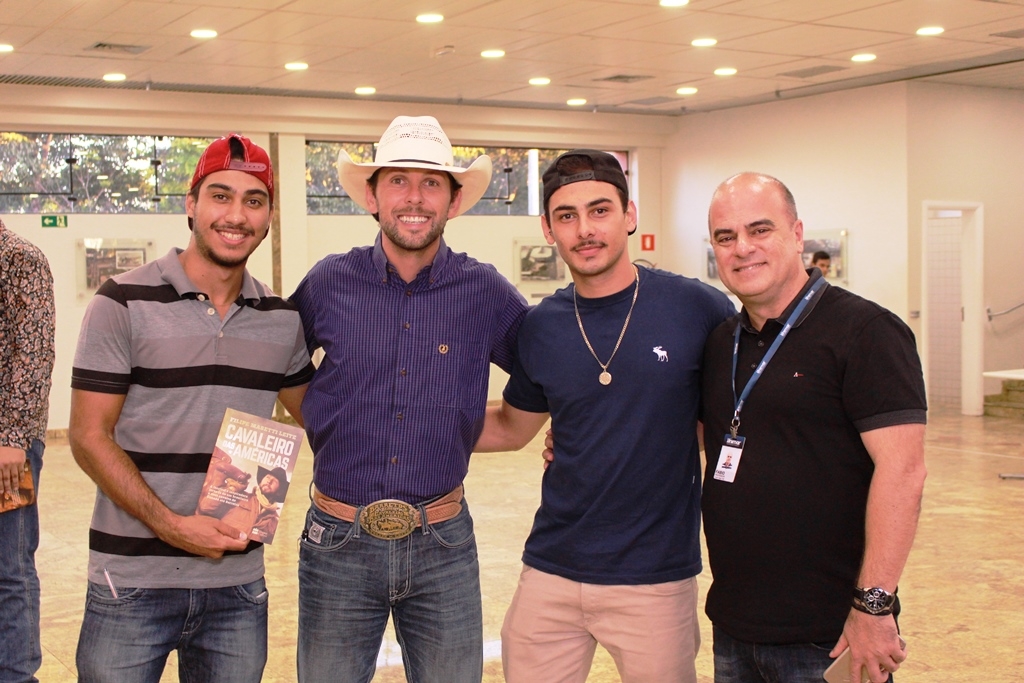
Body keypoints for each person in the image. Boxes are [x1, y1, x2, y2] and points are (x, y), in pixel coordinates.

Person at [474, 150, 734, 683]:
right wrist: (396, 426)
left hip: (654, 579)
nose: (584, 230)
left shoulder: (697, 309)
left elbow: (732, 419)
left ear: (629, 215)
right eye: (566, 216)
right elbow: (511, 427)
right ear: (549, 228)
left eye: (599, 211)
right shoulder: (541, 325)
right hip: (551, 569)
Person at [289, 115, 529, 682]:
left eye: (431, 183)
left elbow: (548, 370)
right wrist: (327, 419)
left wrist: (530, 431)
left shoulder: (484, 291)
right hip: (337, 542)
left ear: (452, 200)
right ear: (372, 196)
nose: (414, 198)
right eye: (398, 181)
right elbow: (281, 368)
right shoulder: (328, 282)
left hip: (443, 543)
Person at [69, 133, 314, 683]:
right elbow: (88, 436)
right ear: (191, 204)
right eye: (220, 196)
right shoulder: (122, 301)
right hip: (130, 584)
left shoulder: (281, 320)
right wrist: (173, 526)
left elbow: (326, 420)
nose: (236, 215)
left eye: (254, 201)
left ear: (269, 214)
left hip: (237, 587)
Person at [701, 172, 927, 683]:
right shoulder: (721, 343)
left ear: (798, 234)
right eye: (725, 236)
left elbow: (905, 472)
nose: (742, 249)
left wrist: (874, 607)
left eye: (760, 230)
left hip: (830, 635)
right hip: (735, 625)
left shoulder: (867, 333)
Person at [0, 220, 55, 683]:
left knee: (10, 567)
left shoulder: (21, 258)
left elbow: (34, 354)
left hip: (6, 451)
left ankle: (16, 675)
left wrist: (13, 439)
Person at [221, 466, 289, 543]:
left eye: (275, 481)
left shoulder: (273, 522)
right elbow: (209, 508)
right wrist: (231, 488)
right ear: (261, 482)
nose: (269, 481)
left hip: (245, 554)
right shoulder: (239, 495)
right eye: (268, 477)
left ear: (279, 491)